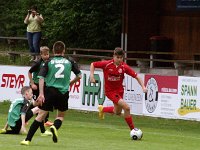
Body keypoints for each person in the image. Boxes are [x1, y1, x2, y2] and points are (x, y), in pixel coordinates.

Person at [20, 41, 82, 146]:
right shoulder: (69, 61)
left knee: (40, 116)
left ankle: (27, 140)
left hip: (50, 91)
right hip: (63, 92)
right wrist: (70, 83)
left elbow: (41, 77)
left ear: (53, 51)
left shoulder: (48, 62)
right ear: (64, 51)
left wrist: (41, 93)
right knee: (60, 116)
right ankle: (55, 127)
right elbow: (79, 76)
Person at [89, 47, 147, 132]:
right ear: (114, 56)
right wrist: (91, 76)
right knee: (127, 108)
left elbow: (136, 76)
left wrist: (143, 87)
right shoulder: (107, 64)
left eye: (121, 58)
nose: (119, 59)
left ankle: (102, 109)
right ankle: (133, 130)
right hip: (110, 92)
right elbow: (93, 64)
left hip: (119, 91)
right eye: (118, 57)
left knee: (117, 112)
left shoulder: (124, 67)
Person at [28, 46, 53, 127]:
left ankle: (45, 120)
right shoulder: (38, 63)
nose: (46, 56)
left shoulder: (50, 62)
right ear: (41, 55)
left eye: (47, 54)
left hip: (43, 85)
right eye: (44, 54)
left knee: (45, 101)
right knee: (36, 103)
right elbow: (29, 72)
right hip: (36, 85)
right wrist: (32, 83)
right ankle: (25, 116)